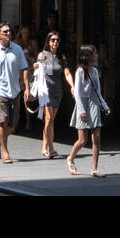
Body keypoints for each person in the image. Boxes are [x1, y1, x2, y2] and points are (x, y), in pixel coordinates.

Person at [0, 21, 29, 164]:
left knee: (13, 125)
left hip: (14, 91)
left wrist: (27, 87)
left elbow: (24, 69)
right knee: (2, 122)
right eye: (5, 32)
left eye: (9, 31)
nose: (9, 33)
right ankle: (5, 152)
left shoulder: (18, 49)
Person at [67, 44, 110, 177]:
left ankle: (94, 169)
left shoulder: (95, 71)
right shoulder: (80, 71)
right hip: (83, 105)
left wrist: (105, 106)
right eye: (94, 53)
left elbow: (97, 92)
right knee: (82, 140)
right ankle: (70, 158)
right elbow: (78, 93)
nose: (96, 56)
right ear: (88, 56)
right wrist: (81, 111)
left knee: (96, 138)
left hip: (94, 104)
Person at [35, 31, 74, 159]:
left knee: (51, 120)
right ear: (48, 41)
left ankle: (46, 146)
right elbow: (38, 69)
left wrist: (72, 86)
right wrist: (36, 65)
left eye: (57, 40)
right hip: (46, 90)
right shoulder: (43, 55)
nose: (55, 42)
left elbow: (67, 73)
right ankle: (49, 148)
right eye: (52, 40)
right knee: (49, 118)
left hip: (57, 90)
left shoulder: (61, 57)